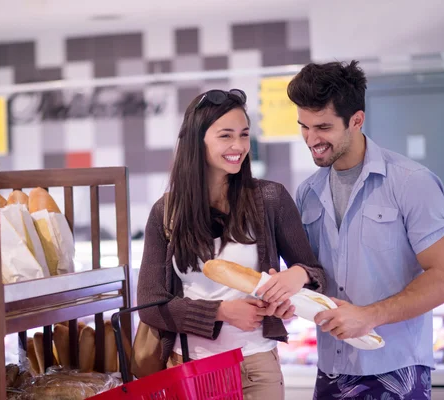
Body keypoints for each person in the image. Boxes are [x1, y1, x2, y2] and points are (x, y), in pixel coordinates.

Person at [137, 88, 326, 399]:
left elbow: (316, 273)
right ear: (197, 141)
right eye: (226, 136)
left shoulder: (270, 198)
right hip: (190, 369)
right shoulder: (166, 212)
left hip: (256, 366)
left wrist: (297, 277)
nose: (238, 146)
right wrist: (221, 312)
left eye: (244, 134)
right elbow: (151, 306)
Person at [287, 60, 444, 399]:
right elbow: (314, 275)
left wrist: (370, 316)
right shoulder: (307, 192)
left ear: (357, 120)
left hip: (397, 371)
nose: (311, 139)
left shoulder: (411, 182)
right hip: (331, 370)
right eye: (304, 127)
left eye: (322, 127)